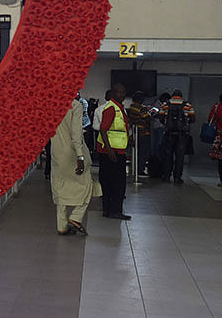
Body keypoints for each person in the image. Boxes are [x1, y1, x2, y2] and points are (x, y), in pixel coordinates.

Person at [50, 96, 101, 235]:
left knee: (60, 185)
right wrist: (80, 156)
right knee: (87, 185)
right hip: (73, 153)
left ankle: (61, 226)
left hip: (56, 152)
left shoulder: (50, 104)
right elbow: (76, 133)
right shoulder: (75, 105)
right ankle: (76, 217)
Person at [97, 83, 131, 220]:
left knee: (109, 181)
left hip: (116, 150)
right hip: (112, 152)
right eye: (119, 92)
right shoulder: (111, 108)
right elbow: (103, 130)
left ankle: (108, 210)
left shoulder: (119, 108)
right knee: (117, 183)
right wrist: (109, 149)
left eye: (123, 92)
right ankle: (115, 211)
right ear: (113, 93)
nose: (121, 95)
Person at [159, 89, 195, 184]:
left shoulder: (165, 105)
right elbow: (193, 119)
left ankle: (166, 177)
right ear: (181, 96)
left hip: (169, 134)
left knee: (168, 156)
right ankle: (177, 178)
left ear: (172, 96)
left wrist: (168, 123)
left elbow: (161, 118)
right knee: (179, 157)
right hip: (182, 135)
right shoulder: (187, 105)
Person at [127, 91, 152, 177]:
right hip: (143, 132)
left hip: (135, 132)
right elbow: (147, 118)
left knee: (136, 152)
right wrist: (150, 112)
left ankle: (135, 168)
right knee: (144, 152)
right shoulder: (141, 108)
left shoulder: (132, 107)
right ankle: (140, 169)